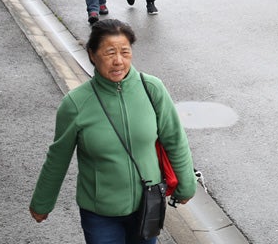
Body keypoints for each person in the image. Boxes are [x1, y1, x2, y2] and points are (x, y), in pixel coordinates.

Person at [29, 19, 196, 243]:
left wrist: (186, 184)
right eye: (109, 53)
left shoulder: (152, 89)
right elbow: (58, 157)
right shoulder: (76, 103)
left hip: (147, 205)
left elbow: (175, 139)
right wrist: (42, 202)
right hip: (100, 214)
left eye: (125, 52)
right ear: (92, 55)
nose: (118, 61)